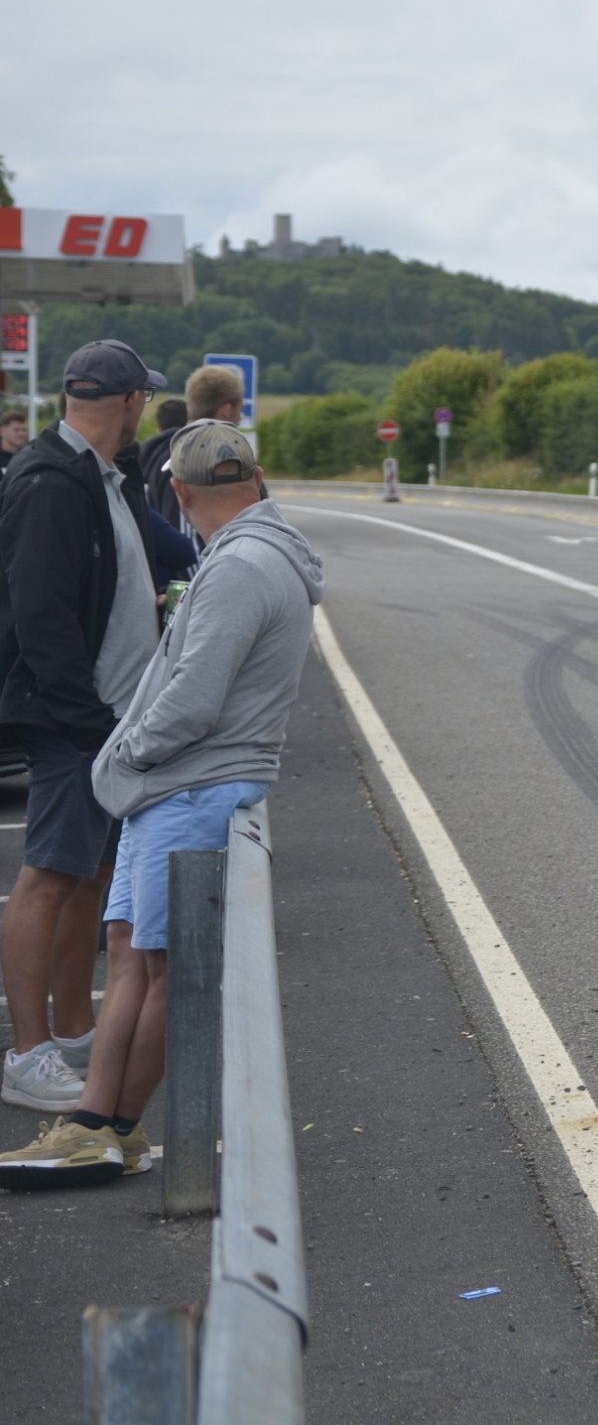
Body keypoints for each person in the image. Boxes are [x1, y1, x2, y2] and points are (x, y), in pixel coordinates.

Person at [0, 423, 321, 1185]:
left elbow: (193, 701)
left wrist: (122, 753)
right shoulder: (255, 554)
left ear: (176, 490)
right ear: (260, 477)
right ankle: (102, 1125)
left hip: (188, 784)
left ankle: (102, 1127)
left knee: (154, 967)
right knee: (136, 956)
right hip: (185, 785)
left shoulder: (242, 565)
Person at [0, 342, 166, 1113]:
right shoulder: (50, 482)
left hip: (107, 721)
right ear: (132, 403)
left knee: (90, 878)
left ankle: (72, 1030)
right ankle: (28, 1051)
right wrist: (86, 721)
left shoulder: (104, 477)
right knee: (49, 878)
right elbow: (40, 615)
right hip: (76, 720)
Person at [143, 366, 242, 532]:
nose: (240, 418)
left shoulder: (170, 451)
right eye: (239, 409)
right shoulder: (190, 457)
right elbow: (184, 534)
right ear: (226, 410)